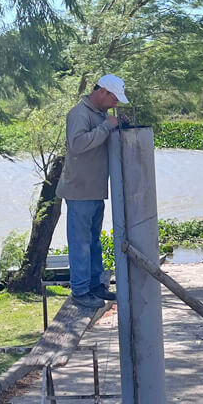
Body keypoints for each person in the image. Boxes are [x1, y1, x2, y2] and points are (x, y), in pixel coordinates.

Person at [56, 74, 129, 309]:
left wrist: (117, 126)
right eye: (114, 99)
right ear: (103, 92)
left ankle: (96, 286)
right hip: (79, 190)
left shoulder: (99, 115)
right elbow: (77, 144)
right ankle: (80, 291)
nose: (115, 104)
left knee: (94, 242)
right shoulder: (80, 114)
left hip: (94, 189)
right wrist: (107, 126)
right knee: (81, 243)